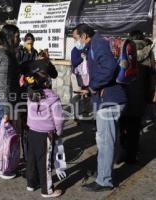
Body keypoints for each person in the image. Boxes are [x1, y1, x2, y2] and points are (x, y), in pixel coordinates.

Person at [72, 24, 127, 191]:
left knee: (105, 142)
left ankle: (104, 180)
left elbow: (109, 67)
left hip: (108, 100)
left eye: (76, 38)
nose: (75, 42)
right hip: (109, 98)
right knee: (110, 139)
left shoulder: (98, 44)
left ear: (84, 36)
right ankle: (106, 172)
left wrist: (93, 87)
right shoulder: (94, 44)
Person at [119, 31, 156, 164]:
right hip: (140, 93)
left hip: (126, 92)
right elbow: (152, 74)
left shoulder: (127, 50)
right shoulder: (149, 53)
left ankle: (123, 150)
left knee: (122, 124)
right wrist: (151, 92)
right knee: (134, 127)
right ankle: (131, 155)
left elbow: (120, 71)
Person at [25, 70, 63, 198]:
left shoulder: (30, 95)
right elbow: (59, 119)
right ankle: (47, 190)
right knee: (44, 162)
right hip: (45, 134)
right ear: (48, 83)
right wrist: (59, 132)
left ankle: (31, 183)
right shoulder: (53, 98)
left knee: (32, 158)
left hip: (31, 131)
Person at [0, 24, 21, 132]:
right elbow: (3, 86)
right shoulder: (4, 57)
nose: (19, 40)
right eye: (16, 37)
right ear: (8, 37)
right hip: (1, 98)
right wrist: (6, 111)